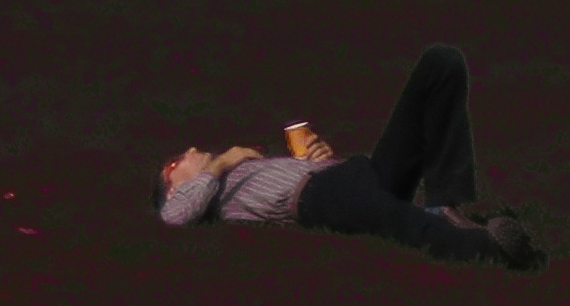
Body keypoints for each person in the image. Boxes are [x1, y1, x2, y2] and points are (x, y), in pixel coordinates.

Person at [158, 43, 547, 269]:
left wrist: (321, 158)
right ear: (174, 188)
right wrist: (222, 163)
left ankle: (445, 204)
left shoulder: (233, 176)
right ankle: (489, 251)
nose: (190, 152)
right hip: (318, 198)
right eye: (176, 163)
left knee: (440, 63)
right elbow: (174, 218)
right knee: (399, 221)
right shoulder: (211, 200)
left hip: (350, 174)